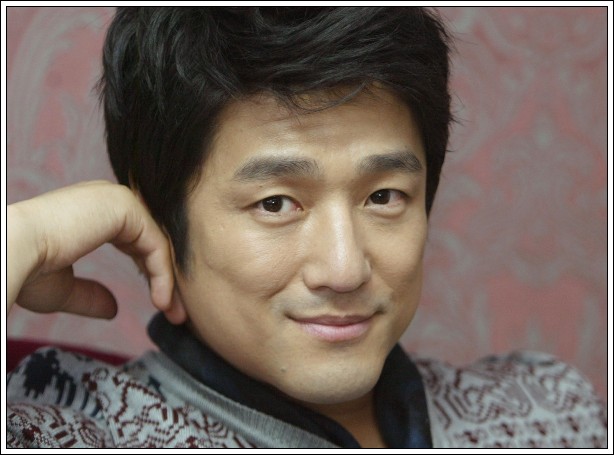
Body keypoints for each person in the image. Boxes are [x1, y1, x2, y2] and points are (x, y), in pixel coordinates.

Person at [6, 7, 606, 448]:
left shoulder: (549, 414)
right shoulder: (70, 430)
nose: (344, 269)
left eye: (383, 196)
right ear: (160, 222)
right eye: (275, 204)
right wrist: (17, 240)